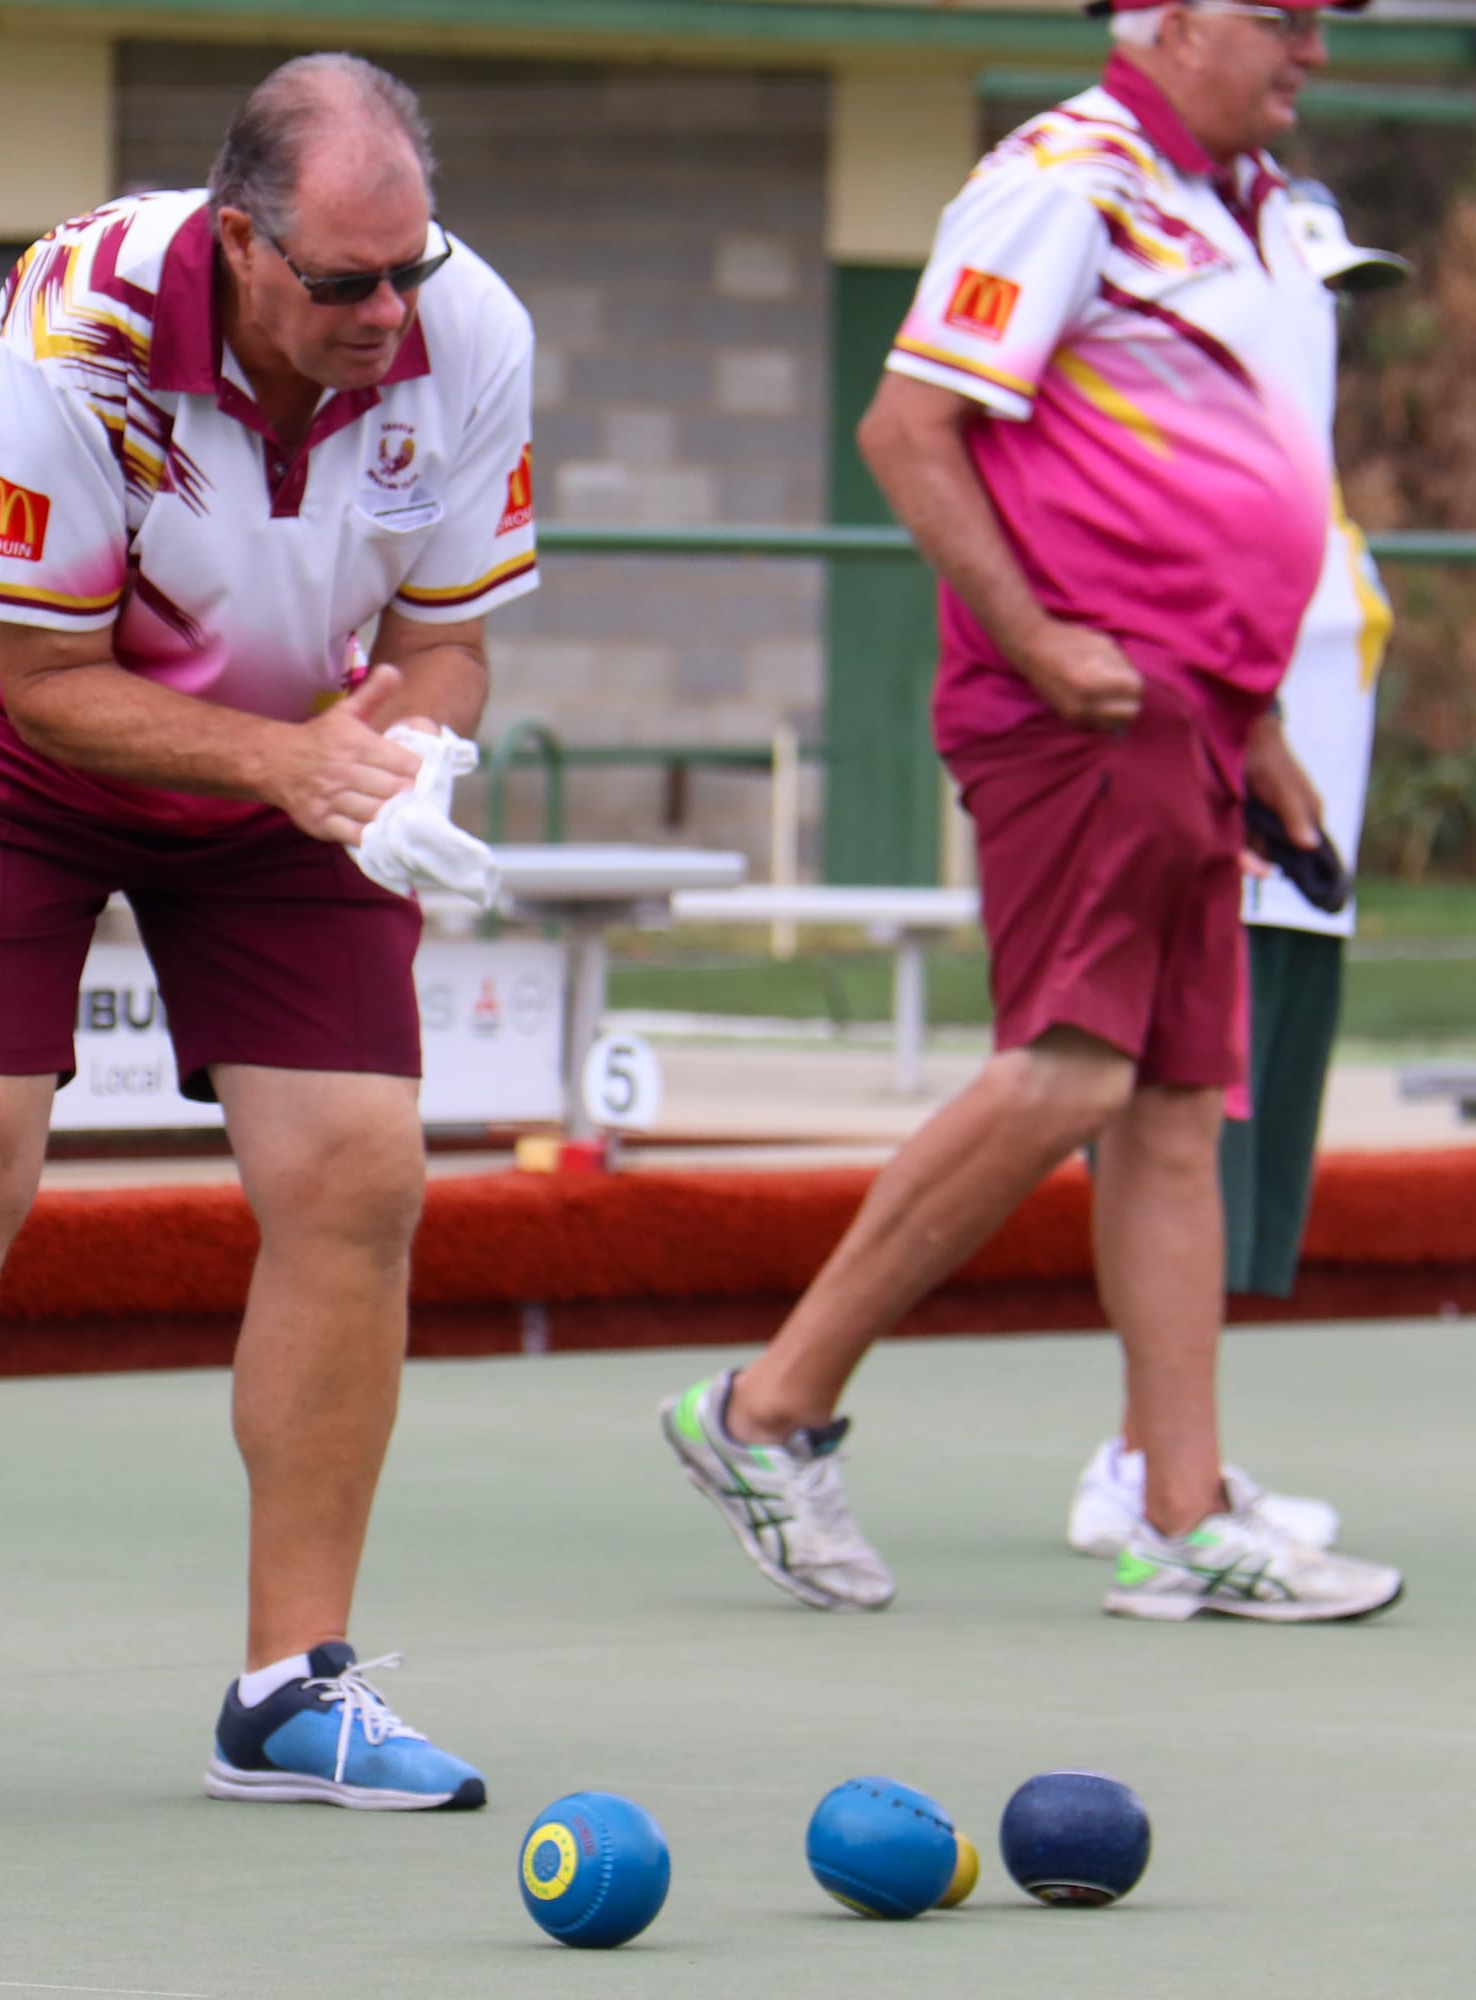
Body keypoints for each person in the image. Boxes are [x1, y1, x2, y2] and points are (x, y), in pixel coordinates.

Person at [0, 52, 538, 1825]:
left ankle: (291, 1691)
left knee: (360, 1170)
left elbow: (446, 639)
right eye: (343, 281)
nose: (386, 314)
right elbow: (47, 682)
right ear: (240, 242)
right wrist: (298, 763)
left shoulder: (471, 330)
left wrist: (411, 755)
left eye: (406, 269)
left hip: (296, 758)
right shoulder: (77, 320)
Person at [661, 0, 1405, 1624]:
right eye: (1282, 16)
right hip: (1084, 705)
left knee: (1177, 1104)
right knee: (1075, 1066)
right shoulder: (1063, 179)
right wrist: (1040, 636)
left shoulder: (1251, 207)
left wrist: (1263, 730)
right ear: (1166, 19)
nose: (1312, 49)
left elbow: (1231, 501)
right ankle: (766, 1410)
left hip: (1194, 710)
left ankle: (1181, 1516)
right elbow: (907, 427)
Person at [1065, 176, 1410, 1558]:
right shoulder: (1203, 477)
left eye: (1339, 303)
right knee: (1174, 1153)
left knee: (1232, 1186)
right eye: (1306, 298)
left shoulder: (1309, 487)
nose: (1327, 329)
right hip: (1221, 870)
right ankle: (1142, 1466)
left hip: (1300, 895)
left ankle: (1171, 1458)